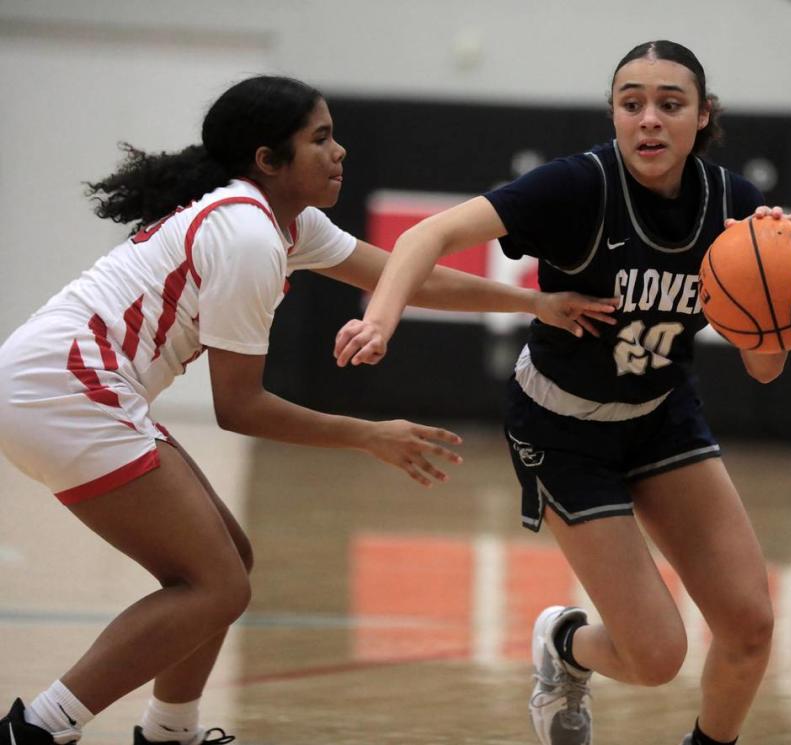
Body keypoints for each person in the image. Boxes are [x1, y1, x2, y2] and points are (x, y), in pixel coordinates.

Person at [0, 75, 618, 745]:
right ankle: (37, 728)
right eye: (320, 139)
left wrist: (535, 303)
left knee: (227, 559)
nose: (339, 151)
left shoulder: (281, 223)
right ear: (268, 160)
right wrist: (369, 435)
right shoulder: (246, 237)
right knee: (215, 585)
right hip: (63, 395)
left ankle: (170, 730)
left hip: (64, 387)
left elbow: (410, 276)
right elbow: (239, 407)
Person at [334, 41, 791, 745]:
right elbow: (430, 234)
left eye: (670, 105)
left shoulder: (733, 205)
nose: (649, 120)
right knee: (657, 657)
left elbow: (765, 369)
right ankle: (564, 643)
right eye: (631, 103)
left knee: (750, 625)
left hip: (659, 416)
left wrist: (779, 286)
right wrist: (379, 320)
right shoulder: (578, 186)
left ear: (702, 116)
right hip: (562, 430)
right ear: (614, 113)